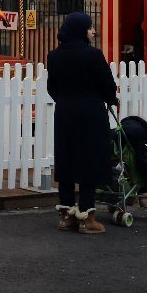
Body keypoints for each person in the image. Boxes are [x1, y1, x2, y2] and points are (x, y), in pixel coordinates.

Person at [47, 12, 118, 234]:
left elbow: (52, 87)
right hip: (90, 113)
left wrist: (66, 100)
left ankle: (66, 215)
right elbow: (107, 84)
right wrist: (111, 98)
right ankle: (87, 216)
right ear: (81, 30)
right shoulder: (93, 55)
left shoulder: (54, 56)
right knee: (89, 160)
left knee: (66, 159)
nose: (93, 31)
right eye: (90, 28)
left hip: (65, 112)